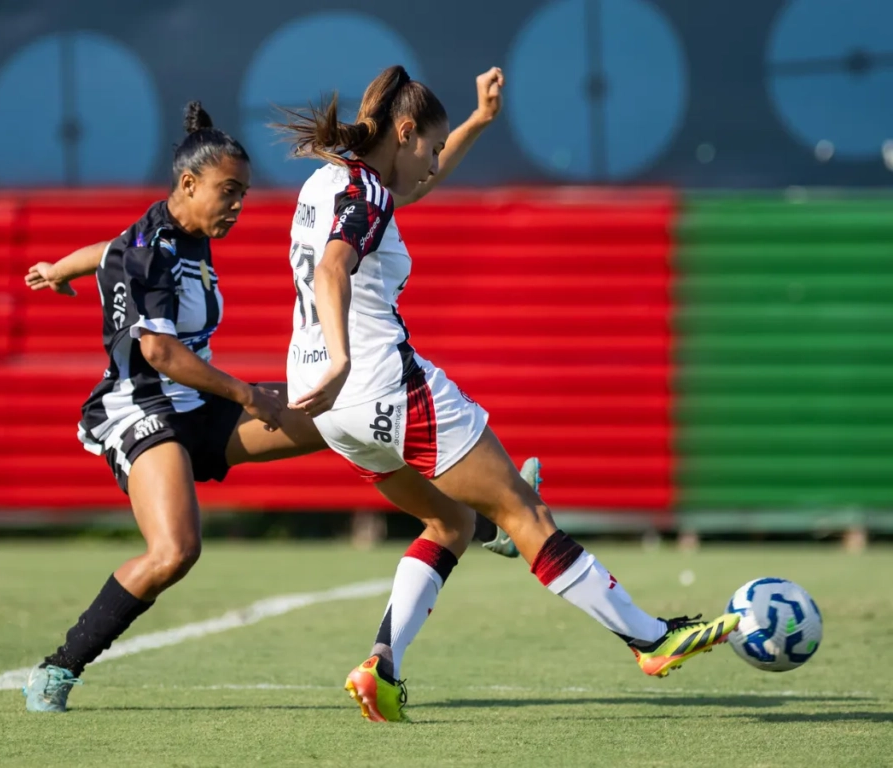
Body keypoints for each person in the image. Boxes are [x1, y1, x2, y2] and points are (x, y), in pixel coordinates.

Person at [20, 100, 527, 713]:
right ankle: (58, 668)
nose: (237, 205)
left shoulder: (175, 235)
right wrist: (244, 393)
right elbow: (157, 350)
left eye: (243, 193)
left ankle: (480, 519)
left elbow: (106, 250)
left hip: (197, 405)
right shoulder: (150, 247)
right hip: (141, 410)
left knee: (343, 410)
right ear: (188, 184)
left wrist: (56, 269)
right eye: (228, 192)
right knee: (175, 552)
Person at [278, 65, 740, 722]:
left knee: (452, 522)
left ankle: (383, 664)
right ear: (403, 133)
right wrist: (346, 356)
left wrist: (475, 123)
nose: (435, 163)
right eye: (431, 147)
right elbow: (333, 266)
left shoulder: (331, 182)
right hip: (376, 380)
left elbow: (392, 198)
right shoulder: (370, 196)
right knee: (523, 512)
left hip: (329, 409)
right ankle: (650, 638)